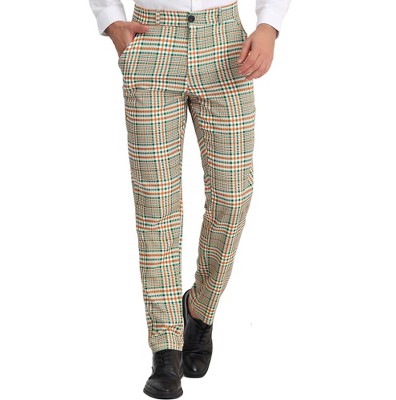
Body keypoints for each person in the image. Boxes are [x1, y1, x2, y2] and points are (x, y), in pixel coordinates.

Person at [88, 0, 291, 398]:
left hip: (226, 45)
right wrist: (110, 20)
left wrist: (269, 25)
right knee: (155, 206)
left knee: (233, 196)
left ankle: (200, 307)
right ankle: (166, 347)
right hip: (152, 39)